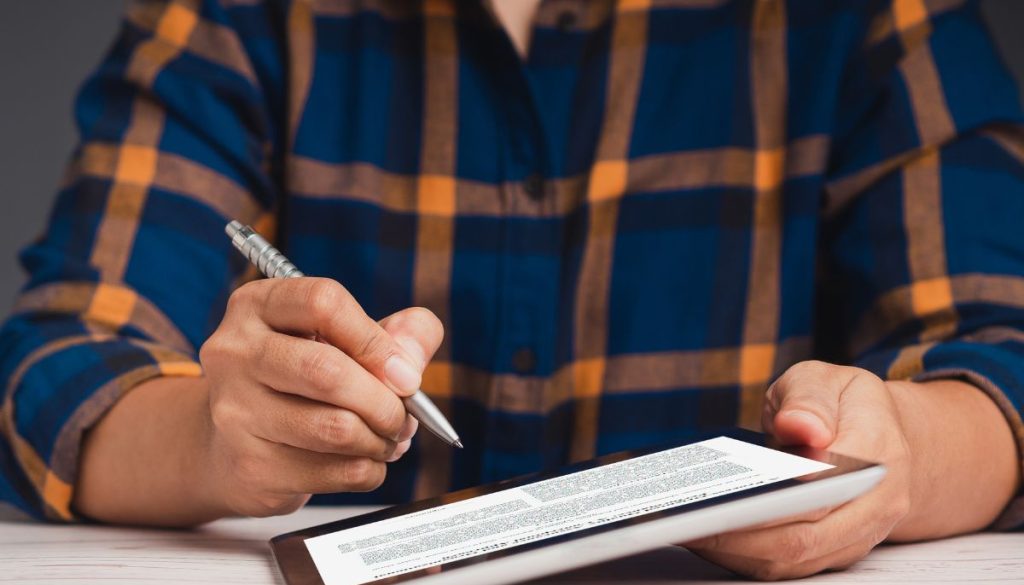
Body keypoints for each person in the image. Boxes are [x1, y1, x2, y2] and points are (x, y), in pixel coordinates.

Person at [1, 0, 1021, 579]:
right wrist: (212, 436)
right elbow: (56, 369)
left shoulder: (870, 19)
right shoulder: (238, 18)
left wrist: (902, 451)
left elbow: (1002, 354)